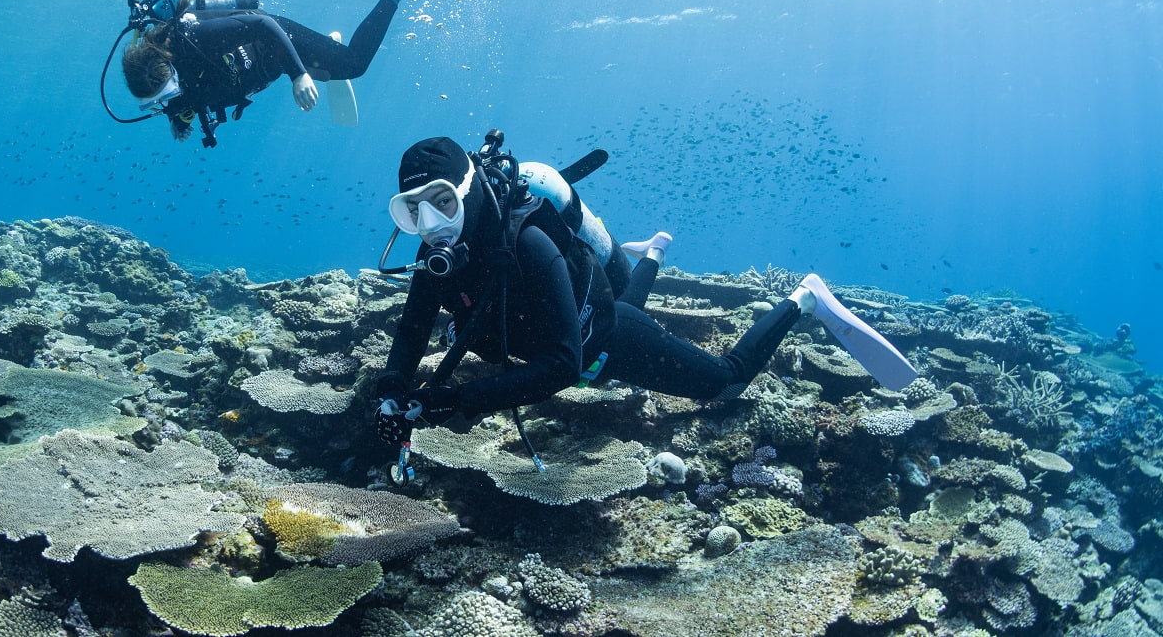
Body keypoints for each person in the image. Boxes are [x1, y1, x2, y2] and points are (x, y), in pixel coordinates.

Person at [373, 135, 918, 445]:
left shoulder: (532, 242)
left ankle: (805, 298)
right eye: (414, 210)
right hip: (591, 319)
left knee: (724, 382)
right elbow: (414, 324)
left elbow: (563, 366)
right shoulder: (436, 255)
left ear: (468, 192)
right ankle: (653, 251)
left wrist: (453, 401)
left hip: (605, 343)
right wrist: (396, 385)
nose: (432, 223)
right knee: (625, 302)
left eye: (442, 201)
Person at [120, 0, 449, 146]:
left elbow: (262, 24)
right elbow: (181, 97)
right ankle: (321, 53)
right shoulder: (170, 86)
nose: (167, 100)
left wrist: (299, 74)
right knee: (324, 62)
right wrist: (177, 119)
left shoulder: (197, 37)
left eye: (167, 93)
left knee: (353, 64)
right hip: (265, 68)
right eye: (158, 100)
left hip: (275, 39)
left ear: (171, 69)